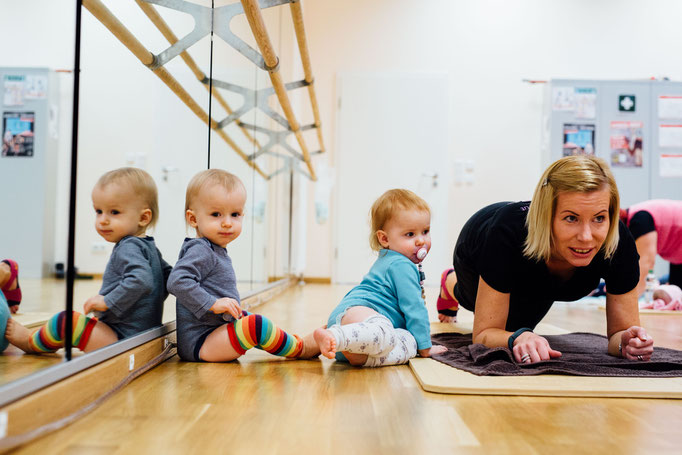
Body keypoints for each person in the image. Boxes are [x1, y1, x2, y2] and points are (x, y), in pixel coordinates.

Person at [436, 155, 654, 364]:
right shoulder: (506, 235)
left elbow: (619, 334)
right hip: (478, 247)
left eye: (599, 218)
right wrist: (516, 338)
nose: (586, 237)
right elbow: (483, 334)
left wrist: (626, 343)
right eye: (571, 218)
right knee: (508, 325)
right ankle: (450, 282)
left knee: (521, 326)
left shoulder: (618, 242)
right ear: (547, 216)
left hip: (539, 273)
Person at [5, 167, 170, 353]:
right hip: (143, 333)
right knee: (75, 325)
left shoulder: (128, 246)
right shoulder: (149, 246)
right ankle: (38, 335)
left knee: (66, 323)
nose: (103, 220)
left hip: (122, 338)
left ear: (143, 217)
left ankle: (30, 342)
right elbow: (167, 279)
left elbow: (141, 280)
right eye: (99, 211)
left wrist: (108, 301)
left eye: (114, 212)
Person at [168, 169, 318, 362]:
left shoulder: (212, 248)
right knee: (255, 326)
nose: (227, 223)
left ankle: (297, 343)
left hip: (212, 333)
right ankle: (301, 348)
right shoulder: (201, 249)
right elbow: (177, 281)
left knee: (247, 318)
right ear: (193, 219)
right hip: (200, 342)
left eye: (235, 214)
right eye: (216, 214)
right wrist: (213, 304)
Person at [314, 189, 447, 367]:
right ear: (384, 238)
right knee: (391, 334)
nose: (421, 241)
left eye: (425, 231)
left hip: (354, 330)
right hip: (363, 315)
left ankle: (348, 350)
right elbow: (415, 308)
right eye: (410, 234)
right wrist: (425, 347)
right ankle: (335, 337)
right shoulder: (402, 265)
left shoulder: (388, 260)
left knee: (406, 340)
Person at [620, 199, 682, 294]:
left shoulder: (640, 220)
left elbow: (646, 264)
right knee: (676, 297)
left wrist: (628, 301)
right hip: (677, 250)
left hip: (677, 242)